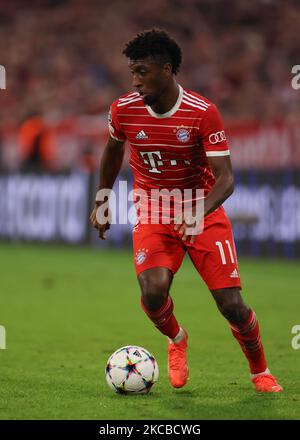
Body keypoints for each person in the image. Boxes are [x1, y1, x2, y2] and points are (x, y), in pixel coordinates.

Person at [90, 29, 282, 393]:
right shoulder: (123, 109)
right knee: (153, 291)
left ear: (167, 70)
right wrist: (102, 198)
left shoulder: (202, 112)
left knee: (232, 305)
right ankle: (176, 339)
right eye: (132, 73)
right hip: (152, 209)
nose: (136, 82)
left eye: (142, 72)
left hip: (202, 209)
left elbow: (226, 179)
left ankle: (261, 372)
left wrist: (198, 210)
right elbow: (114, 150)